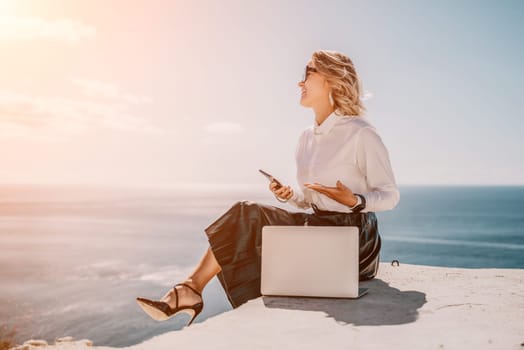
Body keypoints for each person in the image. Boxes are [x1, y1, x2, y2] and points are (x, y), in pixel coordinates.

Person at [136, 49, 400, 327]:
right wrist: (291, 196)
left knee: (256, 232)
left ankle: (203, 299)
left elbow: (390, 196)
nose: (300, 82)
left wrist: (355, 200)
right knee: (245, 214)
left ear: (333, 80)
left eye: (308, 73)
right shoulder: (306, 139)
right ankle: (191, 289)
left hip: (355, 240)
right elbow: (315, 200)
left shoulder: (361, 133)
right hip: (320, 228)